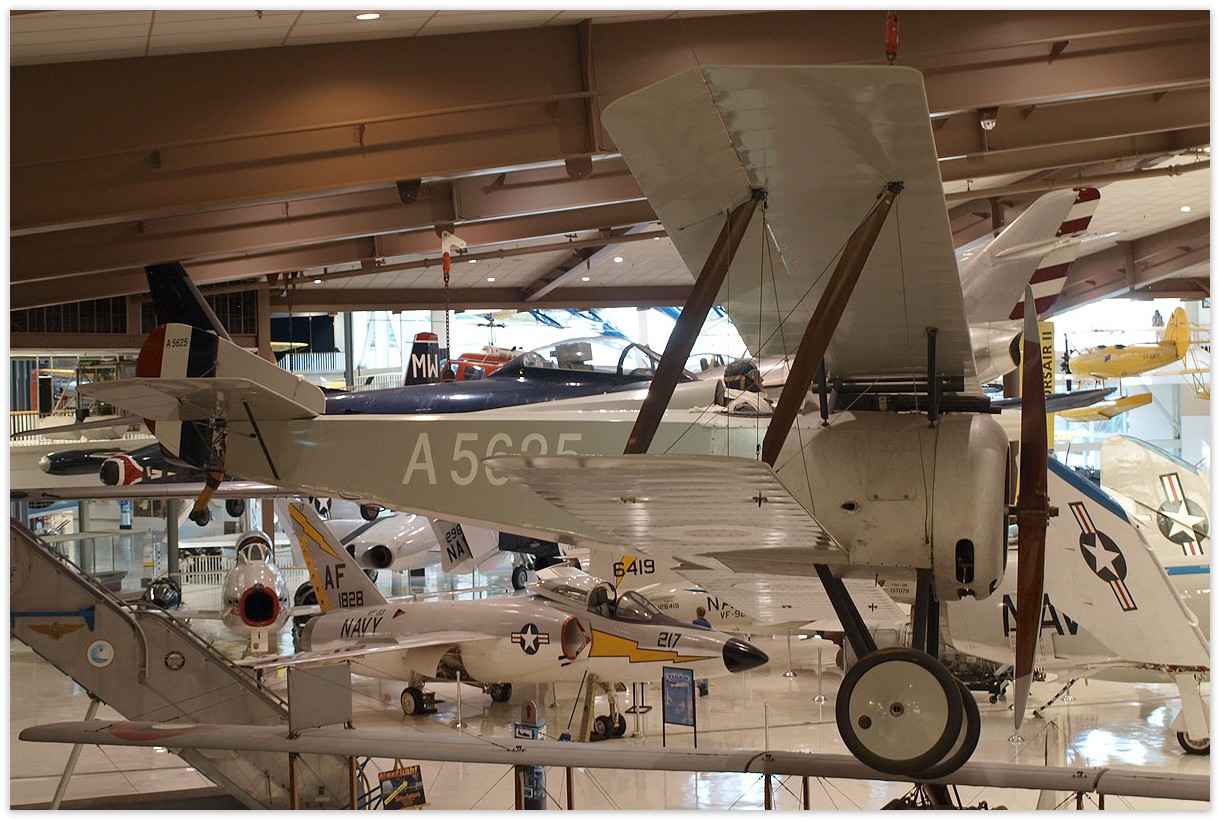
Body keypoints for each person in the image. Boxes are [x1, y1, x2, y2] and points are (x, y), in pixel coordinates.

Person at [693, 607, 712, 696]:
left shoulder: (695, 623)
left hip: (697, 647)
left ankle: (700, 684)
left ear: (697, 613)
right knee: (705, 669)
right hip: (706, 648)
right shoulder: (708, 625)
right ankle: (706, 688)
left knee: (695, 668)